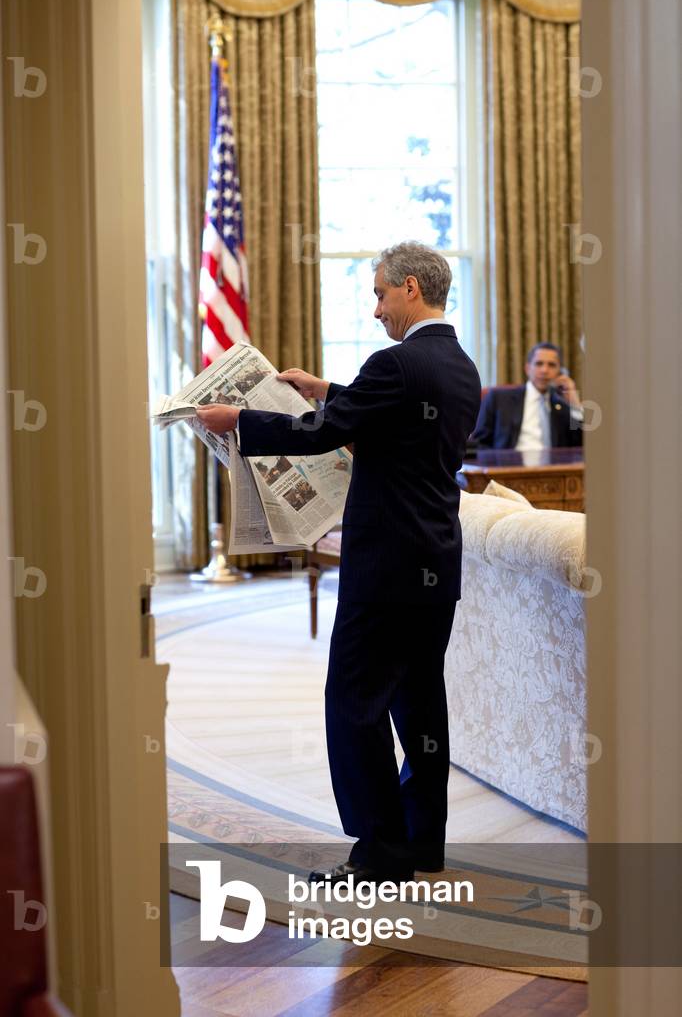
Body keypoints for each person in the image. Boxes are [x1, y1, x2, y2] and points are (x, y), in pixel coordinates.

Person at [197, 241, 481, 886]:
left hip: (384, 566)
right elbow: (397, 415)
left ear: (411, 287)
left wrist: (238, 420)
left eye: (381, 293)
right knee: (419, 704)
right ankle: (420, 844)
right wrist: (327, 389)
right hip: (434, 561)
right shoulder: (460, 365)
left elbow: (321, 433)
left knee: (353, 701)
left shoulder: (397, 361)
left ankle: (380, 853)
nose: (376, 308)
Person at [472, 342, 583, 450]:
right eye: (539, 364)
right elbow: (480, 444)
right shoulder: (499, 398)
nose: (544, 370)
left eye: (551, 365)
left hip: (552, 466)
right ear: (527, 369)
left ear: (560, 371)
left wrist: (575, 403)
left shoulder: (563, 406)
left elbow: (580, 445)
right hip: (508, 465)